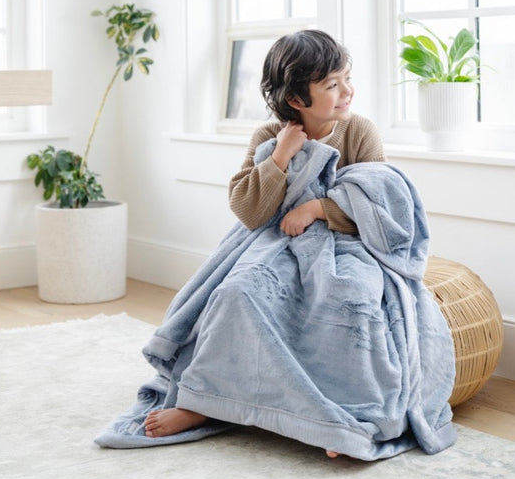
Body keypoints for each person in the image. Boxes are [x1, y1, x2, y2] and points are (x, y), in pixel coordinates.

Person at [143, 29, 386, 455]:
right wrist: (280, 157)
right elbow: (249, 210)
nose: (347, 91)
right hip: (271, 242)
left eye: (347, 77)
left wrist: (317, 210)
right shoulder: (270, 136)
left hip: (341, 243)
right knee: (238, 292)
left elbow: (380, 203)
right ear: (296, 99)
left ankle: (335, 417)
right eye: (332, 85)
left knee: (350, 297)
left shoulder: (359, 132)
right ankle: (205, 400)